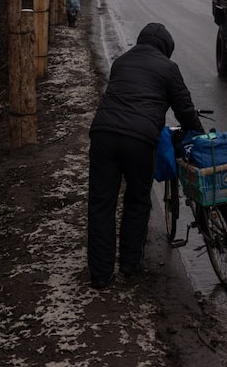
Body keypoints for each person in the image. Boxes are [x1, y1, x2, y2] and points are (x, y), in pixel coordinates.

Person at [87, 22, 204, 289]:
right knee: (137, 201)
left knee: (101, 204)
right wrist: (198, 135)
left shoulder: (121, 62)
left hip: (103, 134)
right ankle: (129, 264)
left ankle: (101, 275)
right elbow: (185, 110)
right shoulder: (168, 68)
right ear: (166, 49)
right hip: (139, 141)